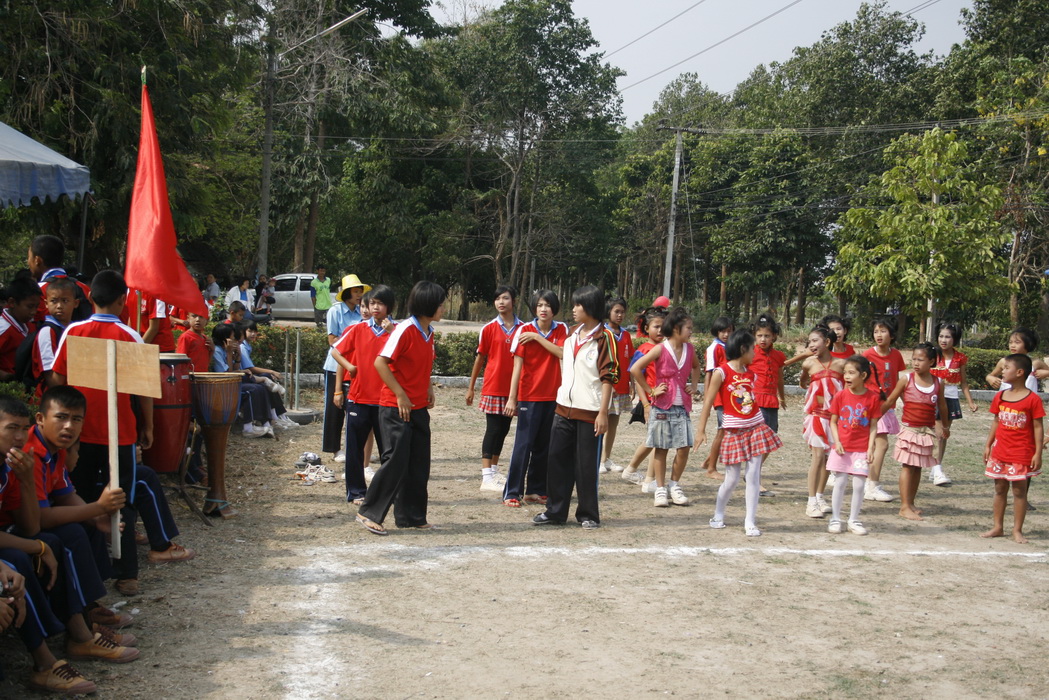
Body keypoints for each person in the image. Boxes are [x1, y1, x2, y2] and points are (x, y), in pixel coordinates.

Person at [52, 270, 195, 596]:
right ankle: (127, 574)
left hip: (79, 435)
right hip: (121, 435)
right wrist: (148, 426)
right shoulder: (131, 336)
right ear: (122, 301)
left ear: (89, 298)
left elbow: (57, 378)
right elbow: (144, 389)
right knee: (123, 501)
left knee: (81, 498)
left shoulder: (74, 331)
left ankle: (87, 571)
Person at [2, 389, 141, 661]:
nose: (69, 426)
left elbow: (65, 494)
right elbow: (39, 521)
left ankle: (88, 609)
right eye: (61, 417)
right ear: (41, 419)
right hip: (14, 528)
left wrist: (97, 517)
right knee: (69, 535)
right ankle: (79, 633)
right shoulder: (29, 452)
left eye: (76, 419)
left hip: (23, 526)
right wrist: (97, 508)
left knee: (88, 525)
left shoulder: (56, 449)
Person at [355, 281, 445, 535]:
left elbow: (422, 364)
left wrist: (428, 388)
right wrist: (400, 395)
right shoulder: (404, 329)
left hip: (418, 407)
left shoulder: (429, 332)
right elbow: (380, 363)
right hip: (395, 407)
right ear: (428, 304)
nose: (443, 308)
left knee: (418, 462)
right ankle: (368, 512)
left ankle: (411, 516)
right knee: (396, 460)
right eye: (440, 304)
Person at [532, 286, 618, 529]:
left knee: (586, 466)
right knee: (557, 461)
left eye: (578, 305)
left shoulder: (605, 338)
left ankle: (588, 514)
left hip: (590, 412)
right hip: (563, 409)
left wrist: (603, 412)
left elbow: (609, 377)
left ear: (590, 307)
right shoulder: (571, 334)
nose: (573, 309)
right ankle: (555, 512)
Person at [698, 329, 782, 537]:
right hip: (733, 432)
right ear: (743, 349)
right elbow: (708, 402)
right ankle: (718, 514)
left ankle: (750, 521)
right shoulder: (721, 372)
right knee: (732, 479)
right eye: (752, 348)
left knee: (753, 476)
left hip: (755, 428)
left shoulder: (751, 373)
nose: (755, 352)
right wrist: (701, 430)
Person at [330, 284, 395, 505]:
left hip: (387, 400)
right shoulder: (357, 329)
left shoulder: (398, 331)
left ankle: (386, 492)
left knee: (389, 451)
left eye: (380, 303)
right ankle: (357, 492)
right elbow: (336, 351)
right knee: (354, 449)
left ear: (389, 306)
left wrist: (392, 333)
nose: (375, 307)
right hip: (359, 398)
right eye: (372, 303)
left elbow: (410, 357)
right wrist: (350, 366)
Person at [629, 306, 700, 508]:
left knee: (684, 448)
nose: (691, 331)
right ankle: (660, 489)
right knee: (661, 448)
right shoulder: (660, 348)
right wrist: (650, 390)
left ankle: (674, 485)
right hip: (662, 407)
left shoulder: (690, 349)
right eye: (688, 328)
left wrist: (694, 385)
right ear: (676, 329)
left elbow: (696, 367)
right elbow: (636, 368)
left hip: (682, 407)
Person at [502, 290, 567, 507]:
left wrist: (538, 338)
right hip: (529, 397)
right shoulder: (524, 330)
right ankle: (512, 492)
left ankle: (535, 490)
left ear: (554, 308)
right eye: (539, 305)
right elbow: (517, 367)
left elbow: (562, 353)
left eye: (547, 305)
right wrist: (512, 399)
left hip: (553, 397)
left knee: (544, 447)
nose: (543, 309)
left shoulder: (561, 329)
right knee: (523, 446)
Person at [881, 342, 950, 521]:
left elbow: (942, 406)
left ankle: (911, 503)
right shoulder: (907, 379)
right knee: (908, 466)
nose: (916, 363)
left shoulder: (938, 382)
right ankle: (904, 506)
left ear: (931, 362)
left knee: (918, 466)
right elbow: (890, 401)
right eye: (914, 359)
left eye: (920, 359)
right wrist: (874, 418)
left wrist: (944, 426)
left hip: (926, 432)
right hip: (910, 430)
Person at [466, 285, 522, 492]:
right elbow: (480, 358)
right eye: (498, 299)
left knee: (504, 430)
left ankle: (494, 471)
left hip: (513, 390)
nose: (501, 302)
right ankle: (486, 476)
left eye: (505, 298)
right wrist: (471, 387)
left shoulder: (524, 328)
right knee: (493, 429)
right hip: (493, 386)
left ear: (514, 301)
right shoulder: (488, 328)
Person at [982, 353, 1043, 543]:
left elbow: (1038, 427)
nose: (1002, 371)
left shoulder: (1033, 399)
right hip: (1000, 452)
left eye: (1006, 368)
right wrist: (988, 444)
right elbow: (996, 421)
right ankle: (998, 527)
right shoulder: (1000, 396)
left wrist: (1038, 453)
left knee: (1019, 492)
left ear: (1019, 372)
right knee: (1000, 489)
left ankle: (1017, 530)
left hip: (1021, 453)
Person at [827, 356, 881, 535]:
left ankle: (854, 520)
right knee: (840, 482)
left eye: (851, 373)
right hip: (842, 448)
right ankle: (835, 519)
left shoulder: (872, 398)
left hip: (861, 450)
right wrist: (837, 442)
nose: (846, 377)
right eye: (845, 373)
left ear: (863, 375)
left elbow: (873, 425)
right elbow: (833, 421)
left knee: (859, 485)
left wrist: (870, 448)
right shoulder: (840, 395)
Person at [798, 325, 845, 519]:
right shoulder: (809, 363)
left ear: (827, 342)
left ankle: (819, 496)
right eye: (809, 341)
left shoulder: (841, 365)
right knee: (817, 457)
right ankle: (811, 502)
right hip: (816, 417)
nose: (811, 344)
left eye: (815, 340)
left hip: (833, 419)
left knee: (828, 460)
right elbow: (803, 381)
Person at [322, 274, 369, 464]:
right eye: (356, 292)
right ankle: (334, 448)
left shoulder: (361, 311)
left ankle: (359, 449)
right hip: (336, 363)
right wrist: (353, 341)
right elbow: (332, 340)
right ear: (347, 293)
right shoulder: (335, 311)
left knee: (356, 408)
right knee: (334, 408)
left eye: (361, 292)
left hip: (357, 365)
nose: (359, 295)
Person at [861, 316, 906, 503]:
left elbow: (897, 380)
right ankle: (872, 486)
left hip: (888, 406)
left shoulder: (896, 355)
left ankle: (867, 482)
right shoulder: (867, 355)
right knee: (882, 444)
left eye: (883, 331)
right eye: (876, 331)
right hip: (872, 406)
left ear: (892, 335)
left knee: (873, 445)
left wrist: (906, 402)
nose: (878, 335)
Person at [620, 307, 666, 486]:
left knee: (658, 441)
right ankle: (632, 471)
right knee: (654, 440)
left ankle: (649, 479)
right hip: (651, 402)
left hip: (663, 402)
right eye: (656, 326)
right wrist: (646, 404)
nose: (660, 330)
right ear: (646, 328)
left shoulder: (664, 349)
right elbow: (638, 378)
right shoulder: (645, 350)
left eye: (663, 327)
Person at [930, 321, 978, 487]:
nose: (943, 340)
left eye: (948, 337)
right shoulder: (933, 354)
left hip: (950, 397)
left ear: (955, 339)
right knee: (937, 433)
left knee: (944, 433)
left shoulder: (960, 358)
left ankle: (936, 467)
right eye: (941, 336)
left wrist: (970, 402)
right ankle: (937, 469)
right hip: (934, 396)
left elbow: (963, 382)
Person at [750, 313, 790, 497]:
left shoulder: (778, 356)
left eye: (766, 335)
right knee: (759, 441)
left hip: (771, 401)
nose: (763, 339)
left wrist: (781, 397)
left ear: (774, 336)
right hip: (755, 401)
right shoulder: (750, 353)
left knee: (770, 438)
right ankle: (754, 479)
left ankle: (753, 473)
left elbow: (780, 378)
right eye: (759, 335)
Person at [211, 323, 274, 439]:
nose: (234, 340)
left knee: (261, 388)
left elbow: (234, 368)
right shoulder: (217, 351)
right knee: (251, 390)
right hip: (223, 385)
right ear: (225, 338)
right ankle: (248, 428)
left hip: (231, 381)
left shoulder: (225, 349)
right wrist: (229, 353)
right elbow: (227, 374)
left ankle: (266, 423)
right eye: (232, 337)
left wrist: (238, 356)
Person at [239, 321, 297, 429]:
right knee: (266, 379)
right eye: (250, 331)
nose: (253, 334)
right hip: (243, 377)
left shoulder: (247, 346)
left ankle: (279, 416)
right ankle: (274, 417)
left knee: (267, 378)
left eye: (255, 331)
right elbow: (250, 368)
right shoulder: (242, 347)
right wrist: (271, 371)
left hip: (247, 376)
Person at [25, 234, 92, 324]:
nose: (28, 262)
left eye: (29, 257)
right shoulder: (84, 288)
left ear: (37, 260)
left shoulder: (36, 291)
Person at [599, 296, 633, 474]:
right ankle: (597, 459)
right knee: (601, 423)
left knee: (613, 424)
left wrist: (632, 383)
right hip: (607, 387)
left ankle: (606, 458)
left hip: (622, 387)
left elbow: (631, 361)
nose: (620, 315)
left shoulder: (626, 335)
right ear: (608, 312)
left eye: (622, 312)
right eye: (616, 311)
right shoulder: (602, 333)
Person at [700, 316, 735, 481]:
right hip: (720, 396)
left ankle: (710, 460)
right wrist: (708, 399)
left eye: (729, 331)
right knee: (723, 430)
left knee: (729, 430)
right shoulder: (714, 348)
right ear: (716, 332)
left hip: (732, 395)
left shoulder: (731, 346)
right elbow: (709, 374)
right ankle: (711, 468)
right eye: (723, 331)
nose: (726, 334)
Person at [0, 278, 42, 382]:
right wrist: (7, 377)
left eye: (36, 307)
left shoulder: (30, 325)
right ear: (12, 302)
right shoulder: (3, 329)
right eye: (30, 306)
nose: (34, 312)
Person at [310, 265, 333, 329]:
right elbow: (312, 296)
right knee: (319, 324)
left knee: (330, 323)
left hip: (328, 305)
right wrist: (315, 306)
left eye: (324, 271)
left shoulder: (328, 280)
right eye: (321, 271)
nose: (322, 272)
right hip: (319, 306)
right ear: (317, 271)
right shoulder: (313, 282)